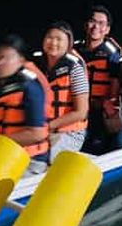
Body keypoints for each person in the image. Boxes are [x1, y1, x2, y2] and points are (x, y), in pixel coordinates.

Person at [0, 34, 50, 171]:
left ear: (20, 60)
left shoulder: (30, 87)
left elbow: (38, 134)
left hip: (28, 159)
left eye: (5, 58)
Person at [34, 21, 89, 161]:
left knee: (38, 155)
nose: (53, 43)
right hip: (39, 129)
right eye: (50, 37)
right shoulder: (35, 64)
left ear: (68, 44)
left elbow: (81, 112)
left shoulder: (75, 68)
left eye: (59, 39)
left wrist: (50, 126)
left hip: (70, 132)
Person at [74, 4, 121, 153]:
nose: (96, 27)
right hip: (77, 109)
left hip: (99, 112)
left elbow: (115, 88)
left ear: (107, 29)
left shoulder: (112, 54)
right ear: (86, 25)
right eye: (93, 22)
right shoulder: (75, 51)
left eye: (101, 23)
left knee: (94, 147)